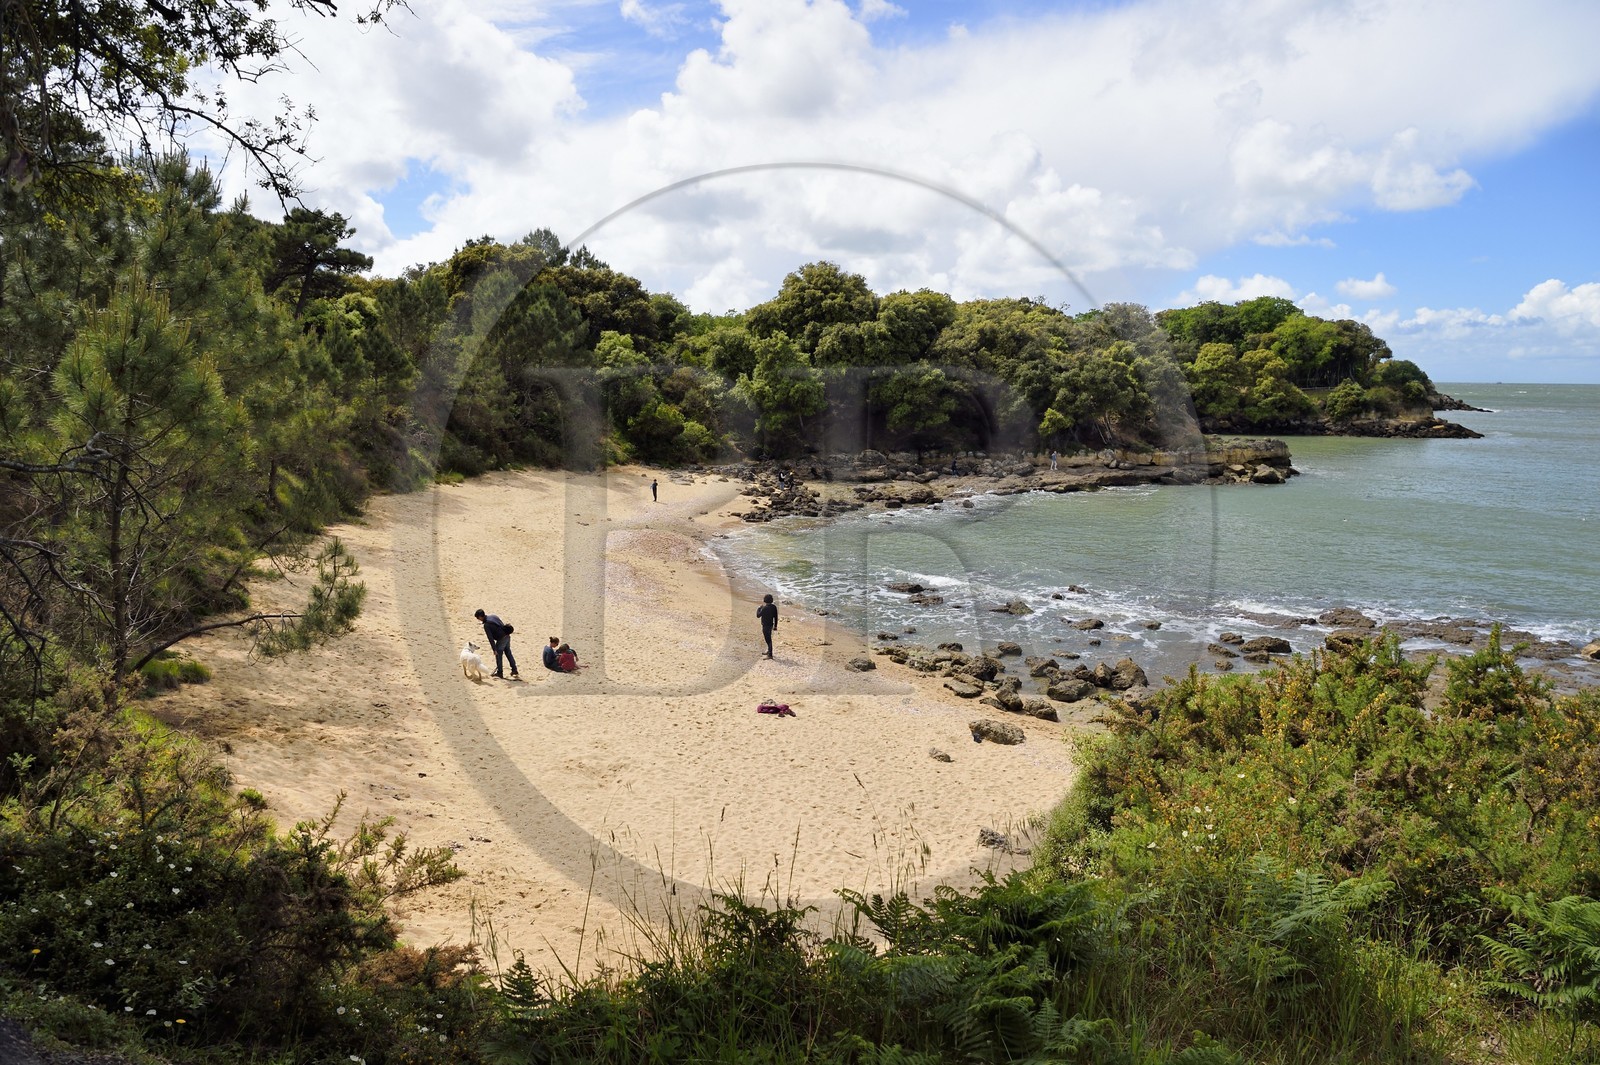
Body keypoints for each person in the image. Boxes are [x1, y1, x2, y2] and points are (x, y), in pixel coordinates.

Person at [473, 608, 518, 678]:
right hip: (507, 636)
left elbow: (490, 638)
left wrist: (494, 649)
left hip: (501, 639)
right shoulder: (493, 616)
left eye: (478, 618)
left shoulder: (486, 625)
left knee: (498, 655)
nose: (478, 619)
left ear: (481, 616)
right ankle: (514, 669)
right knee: (508, 653)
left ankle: (500, 672)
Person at [756, 594, 779, 659]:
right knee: (769, 639)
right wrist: (775, 626)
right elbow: (776, 617)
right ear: (771, 600)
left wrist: (759, 608)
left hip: (765, 626)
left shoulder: (764, 608)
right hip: (771, 625)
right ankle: (769, 651)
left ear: (765, 600)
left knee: (768, 640)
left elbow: (758, 615)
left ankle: (770, 655)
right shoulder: (774, 607)